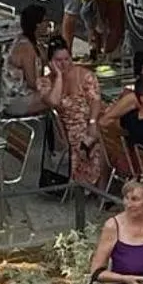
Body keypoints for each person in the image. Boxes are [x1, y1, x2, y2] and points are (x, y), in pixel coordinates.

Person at [39, 39, 109, 192]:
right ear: (51, 62)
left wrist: (91, 122)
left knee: (107, 135)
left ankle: (103, 186)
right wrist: (58, 76)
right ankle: (99, 188)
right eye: (58, 60)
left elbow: (95, 101)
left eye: (66, 59)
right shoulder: (45, 82)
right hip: (68, 128)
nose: (64, 63)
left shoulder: (84, 75)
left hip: (92, 119)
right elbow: (54, 101)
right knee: (94, 142)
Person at [1, 4, 52, 118]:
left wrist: (45, 60)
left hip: (25, 95)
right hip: (16, 101)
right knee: (60, 97)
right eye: (45, 21)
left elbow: (41, 73)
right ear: (37, 24)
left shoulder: (33, 43)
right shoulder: (26, 48)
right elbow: (33, 83)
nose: (47, 24)